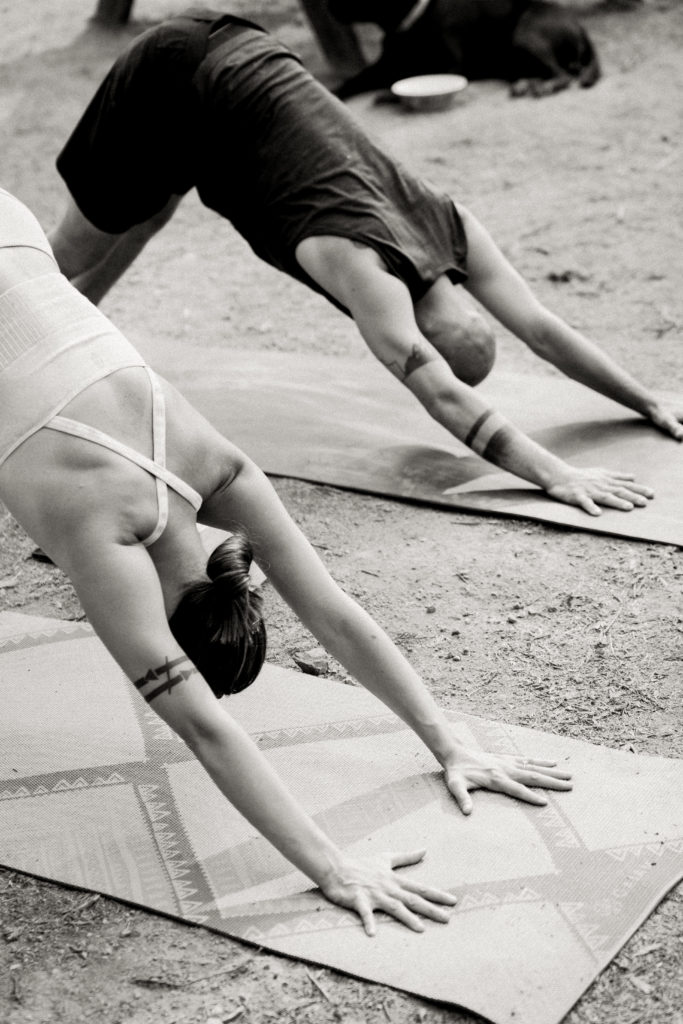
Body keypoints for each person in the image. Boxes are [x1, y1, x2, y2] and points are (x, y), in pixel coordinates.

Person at [0, 185, 572, 935]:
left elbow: (330, 610)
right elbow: (205, 728)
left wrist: (450, 742)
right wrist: (332, 867)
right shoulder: (101, 532)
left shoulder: (216, 463)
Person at [50, 10, 682, 517]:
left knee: (148, 211)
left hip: (245, 56)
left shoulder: (450, 226)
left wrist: (648, 400)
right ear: (434, 322)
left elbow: (543, 329)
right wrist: (558, 473)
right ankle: (22, 315)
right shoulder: (367, 273)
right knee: (75, 248)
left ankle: (64, 335)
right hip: (174, 74)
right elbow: (444, 397)